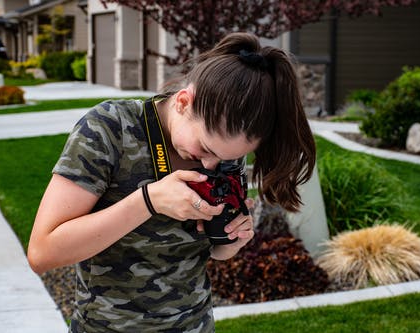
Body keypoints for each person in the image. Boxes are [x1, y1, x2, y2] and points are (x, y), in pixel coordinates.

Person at [27, 32, 316, 332]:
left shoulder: (224, 153)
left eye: (225, 157)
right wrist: (148, 201)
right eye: (206, 148)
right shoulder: (111, 129)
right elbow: (43, 252)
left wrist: (231, 242)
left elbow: (210, 251)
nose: (210, 165)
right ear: (183, 102)